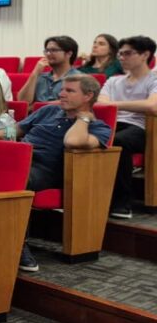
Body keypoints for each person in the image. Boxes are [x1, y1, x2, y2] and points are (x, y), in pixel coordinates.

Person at [16, 76, 111, 271]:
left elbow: (72, 142)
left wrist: (83, 117)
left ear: (88, 96)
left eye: (69, 90)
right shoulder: (48, 110)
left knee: (13, 180)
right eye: (62, 89)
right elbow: (16, 129)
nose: (61, 94)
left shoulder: (99, 127)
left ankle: (17, 245)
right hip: (18, 158)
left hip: (46, 171)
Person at [98, 36, 157, 219]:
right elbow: (100, 104)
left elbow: (152, 106)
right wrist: (131, 105)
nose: (122, 58)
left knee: (118, 141)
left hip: (141, 127)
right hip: (112, 123)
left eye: (128, 53)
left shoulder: (153, 79)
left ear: (145, 55)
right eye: (120, 54)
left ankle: (122, 202)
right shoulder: (114, 81)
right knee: (83, 137)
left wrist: (114, 104)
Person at [18, 36, 83, 104]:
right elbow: (23, 102)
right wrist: (35, 73)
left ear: (69, 54)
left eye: (54, 50)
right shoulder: (40, 77)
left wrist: (36, 106)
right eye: (47, 51)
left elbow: (71, 102)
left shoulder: (79, 78)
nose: (48, 54)